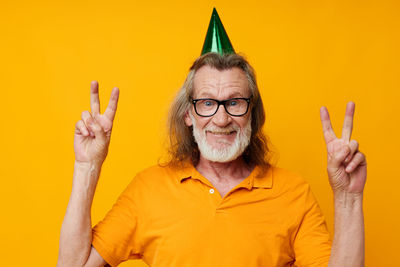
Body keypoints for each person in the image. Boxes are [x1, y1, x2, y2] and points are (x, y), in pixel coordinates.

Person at [58, 10, 366, 267]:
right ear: (188, 115)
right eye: (207, 103)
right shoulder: (148, 189)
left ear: (252, 113)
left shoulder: (293, 193)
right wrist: (88, 166)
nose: (221, 119)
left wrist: (348, 197)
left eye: (234, 102)